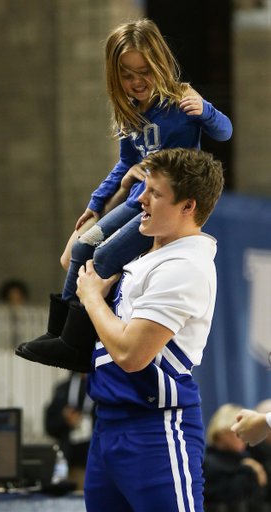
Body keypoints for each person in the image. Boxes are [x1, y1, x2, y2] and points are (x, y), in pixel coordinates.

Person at [17, 18, 232, 372]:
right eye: (127, 76)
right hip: (137, 199)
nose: (136, 83)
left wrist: (206, 109)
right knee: (83, 246)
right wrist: (95, 204)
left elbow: (223, 132)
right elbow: (126, 165)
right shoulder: (130, 113)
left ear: (160, 64)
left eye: (143, 72)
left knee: (104, 259)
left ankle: (76, 342)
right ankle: (60, 334)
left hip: (163, 203)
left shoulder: (181, 101)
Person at [72, 147, 223, 511]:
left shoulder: (185, 265)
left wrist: (93, 298)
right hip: (107, 420)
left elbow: (131, 354)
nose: (143, 199)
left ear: (188, 207)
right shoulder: (146, 249)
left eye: (154, 193)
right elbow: (70, 258)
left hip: (154, 427)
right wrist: (118, 196)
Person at [203, 403, 267, 507]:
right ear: (221, 433)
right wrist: (249, 470)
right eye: (237, 431)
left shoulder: (246, 459)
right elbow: (232, 497)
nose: (243, 435)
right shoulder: (209, 465)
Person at [45, 372, 96, 490]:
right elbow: (49, 426)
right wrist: (64, 418)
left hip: (94, 462)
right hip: (67, 463)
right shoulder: (64, 389)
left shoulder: (104, 389)